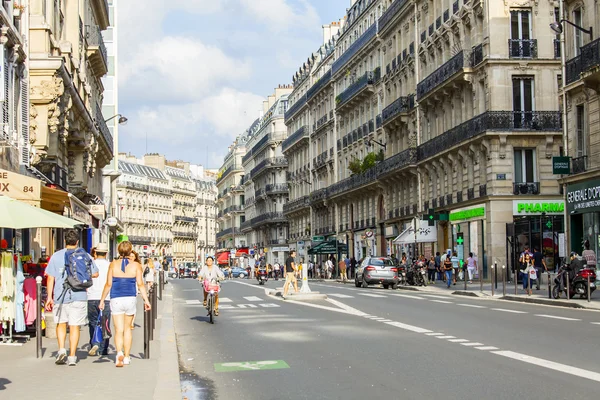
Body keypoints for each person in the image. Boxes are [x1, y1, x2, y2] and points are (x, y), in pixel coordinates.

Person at [45, 229, 99, 366]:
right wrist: (81, 276)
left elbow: (50, 278)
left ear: (64, 241)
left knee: (61, 323)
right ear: (77, 241)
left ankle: (62, 349)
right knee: (74, 326)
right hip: (79, 294)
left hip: (60, 295)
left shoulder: (56, 256)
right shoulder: (85, 255)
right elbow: (96, 273)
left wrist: (49, 298)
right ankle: (72, 356)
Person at [99, 241, 151, 367]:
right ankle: (127, 357)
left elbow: (108, 284)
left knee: (118, 330)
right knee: (127, 329)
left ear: (118, 251)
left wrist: (102, 300)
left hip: (116, 298)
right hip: (130, 298)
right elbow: (140, 284)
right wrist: (146, 300)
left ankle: (118, 354)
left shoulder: (113, 265)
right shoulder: (136, 266)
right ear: (130, 251)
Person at [87, 243, 111, 357]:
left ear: (95, 253)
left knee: (92, 323)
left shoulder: (90, 264)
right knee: (105, 323)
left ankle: (93, 344)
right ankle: (103, 348)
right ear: (106, 253)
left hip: (91, 297)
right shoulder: (110, 265)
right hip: (105, 298)